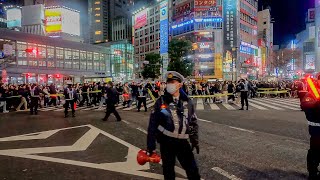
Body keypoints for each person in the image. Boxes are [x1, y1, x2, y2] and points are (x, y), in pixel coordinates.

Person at [147, 71, 201, 180]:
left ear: (180, 84)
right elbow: (152, 125)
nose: (169, 84)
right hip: (167, 142)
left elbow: (193, 122)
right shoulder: (161, 102)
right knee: (168, 172)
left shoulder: (187, 102)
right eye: (168, 82)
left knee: (193, 172)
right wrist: (151, 146)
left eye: (172, 82)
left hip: (183, 142)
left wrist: (194, 140)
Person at [301, 73, 320, 179]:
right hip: (317, 130)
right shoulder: (312, 93)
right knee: (315, 152)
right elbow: (304, 104)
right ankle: (312, 172)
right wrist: (315, 105)